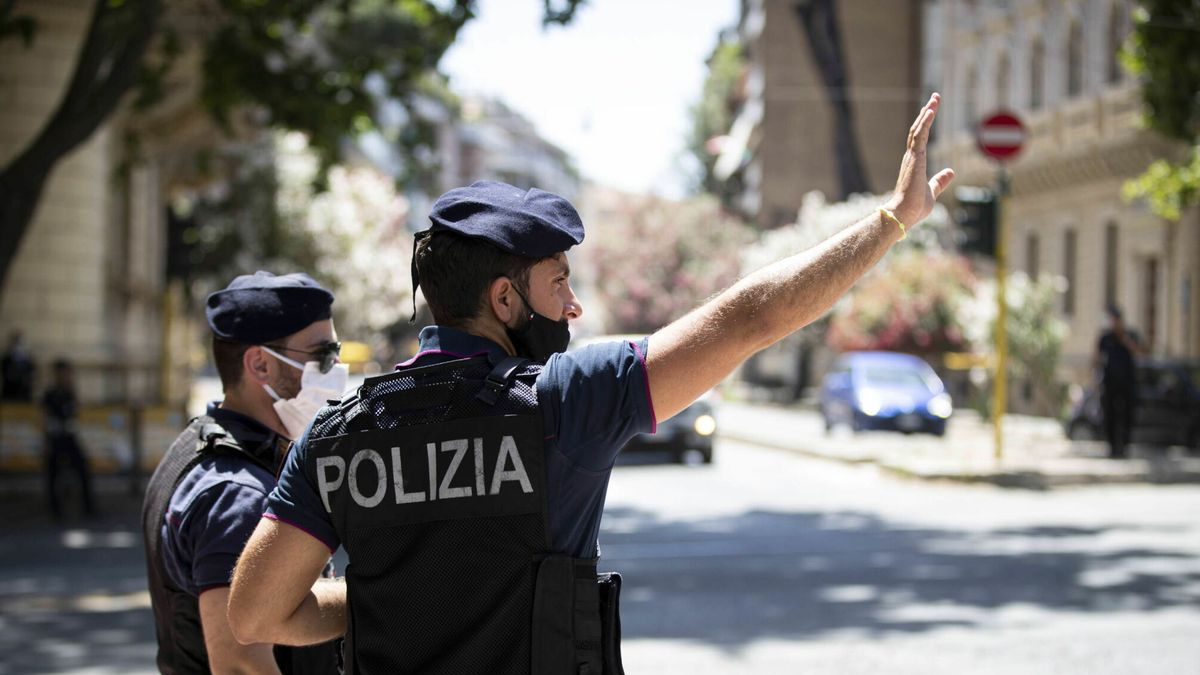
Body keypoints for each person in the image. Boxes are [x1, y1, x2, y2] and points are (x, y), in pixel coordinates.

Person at [228, 93, 957, 673]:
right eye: (559, 283)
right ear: (505, 300)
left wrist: (386, 601)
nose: (573, 306)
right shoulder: (566, 399)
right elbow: (749, 319)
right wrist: (891, 220)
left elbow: (256, 614)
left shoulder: (338, 436)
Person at [141, 271, 347, 675]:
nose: (336, 368)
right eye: (322, 355)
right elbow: (240, 665)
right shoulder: (239, 494)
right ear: (261, 364)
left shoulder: (195, 446)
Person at [41, 359, 96, 519]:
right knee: (53, 474)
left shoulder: (70, 393)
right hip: (55, 438)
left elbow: (77, 411)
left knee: (83, 469)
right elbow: (44, 418)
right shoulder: (50, 394)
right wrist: (46, 442)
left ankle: (88, 507)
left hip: (70, 437)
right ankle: (54, 510)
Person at [1093, 305, 1144, 458]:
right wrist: (1094, 379)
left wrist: (1126, 341)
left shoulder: (1130, 335)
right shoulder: (1105, 337)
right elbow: (1096, 358)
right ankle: (1112, 448)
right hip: (1109, 384)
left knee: (1127, 415)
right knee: (1110, 415)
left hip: (1127, 384)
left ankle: (1125, 447)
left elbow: (1140, 353)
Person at [2, 330, 36, 401]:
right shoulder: (6, 360)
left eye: (20, 341)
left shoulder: (29, 361)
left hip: (24, 394)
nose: (18, 344)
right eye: (16, 341)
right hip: (9, 394)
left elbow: (31, 376)